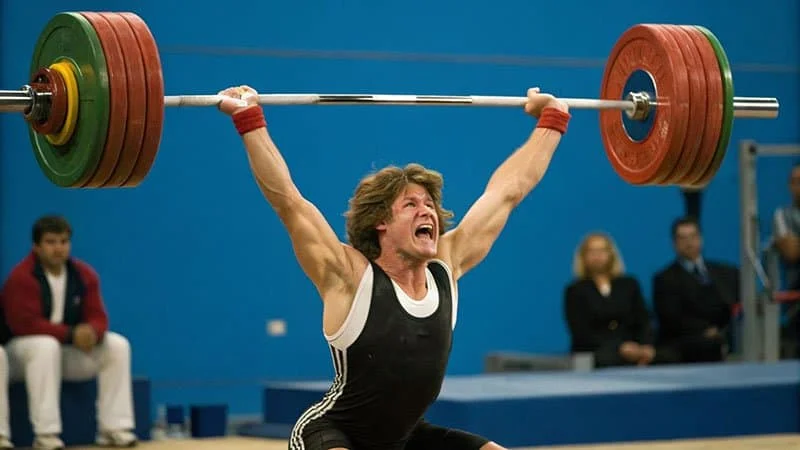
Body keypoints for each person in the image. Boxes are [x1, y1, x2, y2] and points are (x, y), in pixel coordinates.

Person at [217, 85, 571, 450]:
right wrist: (249, 118)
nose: (427, 211)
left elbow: (508, 191)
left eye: (430, 204)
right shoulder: (350, 277)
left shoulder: (445, 267)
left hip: (405, 438)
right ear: (380, 222)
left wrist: (553, 118)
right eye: (411, 205)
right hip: (333, 434)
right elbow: (289, 202)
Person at [1, 216, 137, 450]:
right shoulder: (21, 278)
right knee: (44, 345)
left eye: (63, 242)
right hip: (19, 357)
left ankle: (115, 428)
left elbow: (98, 316)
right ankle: (46, 435)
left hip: (61, 355)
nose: (58, 248)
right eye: (51, 242)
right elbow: (24, 325)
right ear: (36, 246)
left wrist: (92, 331)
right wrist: (72, 334)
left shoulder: (84, 274)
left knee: (117, 345)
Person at [564, 232, 673, 368]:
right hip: (597, 351)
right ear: (583, 256)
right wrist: (620, 348)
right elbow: (581, 333)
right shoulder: (575, 290)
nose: (597, 256)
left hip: (633, 346)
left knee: (669, 355)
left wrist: (644, 346)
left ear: (611, 254)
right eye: (591, 251)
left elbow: (644, 319)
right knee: (607, 359)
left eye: (602, 250)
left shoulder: (629, 284)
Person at [652, 216, 739, 363]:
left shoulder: (726, 272)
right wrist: (706, 331)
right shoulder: (664, 279)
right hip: (688, 341)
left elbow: (737, 305)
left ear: (701, 238)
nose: (689, 243)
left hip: (729, 334)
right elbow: (671, 318)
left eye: (693, 236)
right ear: (674, 243)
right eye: (683, 238)